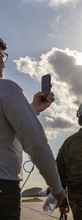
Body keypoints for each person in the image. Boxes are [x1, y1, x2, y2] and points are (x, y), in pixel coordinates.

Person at [0, 37, 66, 220]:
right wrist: (57, 189)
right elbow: (36, 143)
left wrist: (32, 110)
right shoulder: (7, 89)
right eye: (1, 56)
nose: (3, 65)